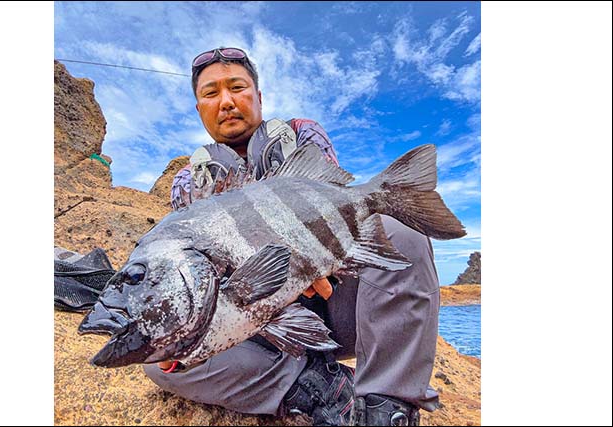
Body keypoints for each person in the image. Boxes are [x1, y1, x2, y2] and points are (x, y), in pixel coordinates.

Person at [143, 47, 441, 426]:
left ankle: (387, 404)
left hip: (331, 303)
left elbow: (334, 205)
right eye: (211, 93)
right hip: (252, 323)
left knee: (400, 229)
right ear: (199, 107)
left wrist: (310, 259)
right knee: (160, 358)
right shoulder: (188, 181)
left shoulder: (302, 134)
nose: (227, 101)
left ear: (259, 96)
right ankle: (316, 389)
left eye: (237, 87)